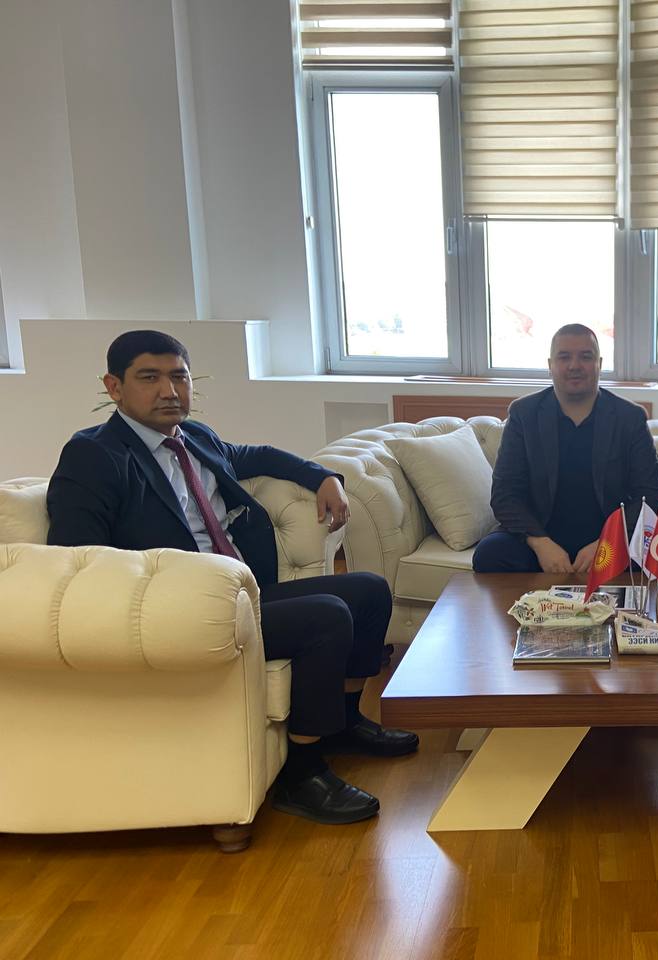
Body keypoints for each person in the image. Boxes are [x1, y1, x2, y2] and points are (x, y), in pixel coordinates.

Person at [46, 330, 418, 826]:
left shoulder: (194, 438)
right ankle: (302, 773)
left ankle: (345, 723)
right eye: (149, 378)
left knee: (368, 590)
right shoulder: (94, 455)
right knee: (326, 617)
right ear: (114, 387)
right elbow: (77, 557)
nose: (169, 391)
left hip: (241, 594)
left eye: (179, 377)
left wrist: (325, 477)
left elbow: (258, 455)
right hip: (175, 611)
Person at [473, 323, 658, 574]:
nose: (575, 366)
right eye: (564, 357)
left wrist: (609, 543)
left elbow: (651, 495)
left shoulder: (629, 417)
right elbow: (505, 494)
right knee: (491, 554)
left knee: (655, 554)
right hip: (541, 537)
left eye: (585, 357)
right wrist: (540, 542)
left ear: (599, 364)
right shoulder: (524, 414)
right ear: (550, 365)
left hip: (610, 539)